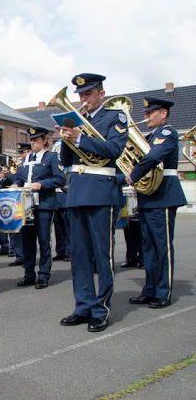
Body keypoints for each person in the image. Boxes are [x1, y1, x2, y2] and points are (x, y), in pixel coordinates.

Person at [56, 73, 127, 332]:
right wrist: (65, 138)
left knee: (101, 254)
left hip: (100, 192)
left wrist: (79, 138)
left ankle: (101, 309)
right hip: (76, 192)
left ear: (101, 94)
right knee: (79, 256)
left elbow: (114, 150)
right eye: (81, 95)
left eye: (88, 94)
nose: (84, 99)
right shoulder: (77, 122)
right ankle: (83, 306)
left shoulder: (114, 118)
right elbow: (66, 161)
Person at [126, 97, 187, 308]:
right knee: (149, 247)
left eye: (151, 112)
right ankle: (149, 289)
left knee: (162, 247)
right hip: (149, 197)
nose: (147, 116)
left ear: (164, 114)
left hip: (164, 196)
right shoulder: (150, 136)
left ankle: (163, 292)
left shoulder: (167, 133)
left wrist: (133, 174)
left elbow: (154, 157)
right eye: (146, 113)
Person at [11, 127, 65, 289]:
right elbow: (20, 178)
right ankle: (28, 273)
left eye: (36, 140)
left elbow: (60, 179)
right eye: (32, 140)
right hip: (26, 205)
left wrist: (42, 184)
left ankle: (43, 274)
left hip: (44, 204)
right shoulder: (26, 159)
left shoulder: (51, 158)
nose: (33, 143)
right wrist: (15, 184)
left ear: (44, 141)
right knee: (27, 240)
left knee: (43, 239)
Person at [0, 142, 31, 267]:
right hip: (15, 201)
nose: (21, 155)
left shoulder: (26, 165)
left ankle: (27, 257)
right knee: (16, 230)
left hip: (30, 200)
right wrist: (5, 177)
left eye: (23, 152)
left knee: (29, 233)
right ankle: (19, 255)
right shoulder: (18, 167)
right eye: (19, 153)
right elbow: (13, 181)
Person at [51, 139, 71, 262]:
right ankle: (60, 251)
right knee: (58, 228)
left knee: (67, 227)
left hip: (65, 197)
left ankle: (68, 251)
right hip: (56, 198)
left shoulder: (68, 166)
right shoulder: (54, 165)